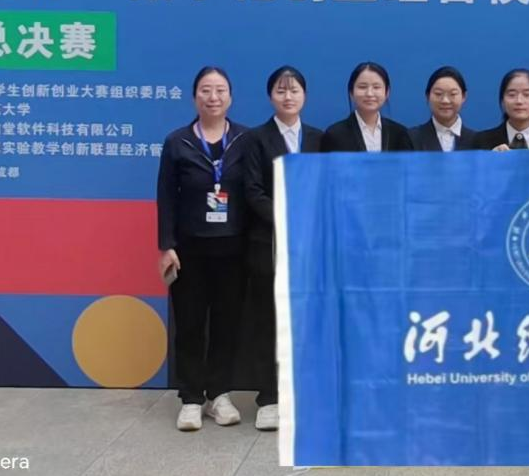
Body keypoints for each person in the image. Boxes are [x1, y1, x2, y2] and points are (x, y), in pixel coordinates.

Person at [157, 67, 252, 432]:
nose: (213, 97)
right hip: (189, 250)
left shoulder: (245, 139)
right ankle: (191, 398)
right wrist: (166, 245)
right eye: (206, 90)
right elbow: (166, 197)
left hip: (234, 249)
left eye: (220, 90)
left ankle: (220, 395)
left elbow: (253, 192)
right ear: (194, 96)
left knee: (227, 324)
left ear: (231, 97)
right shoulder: (178, 141)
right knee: (191, 324)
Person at [242, 66, 322, 432]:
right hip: (269, 243)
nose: (288, 97)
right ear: (270, 96)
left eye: (294, 90)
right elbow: (252, 190)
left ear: (304, 95)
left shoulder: (318, 138)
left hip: (311, 245)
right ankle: (269, 398)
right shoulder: (256, 139)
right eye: (280, 90)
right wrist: (284, 217)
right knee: (269, 321)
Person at [320, 62, 414, 152]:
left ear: (387, 92)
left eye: (376, 87)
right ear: (351, 92)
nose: (369, 93)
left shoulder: (400, 134)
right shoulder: (335, 134)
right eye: (362, 87)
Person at [473, 68, 529, 150]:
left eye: (527, 94)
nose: (519, 101)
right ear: (502, 101)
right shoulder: (480, 142)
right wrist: (489, 158)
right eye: (512, 95)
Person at [409, 66, 478, 152]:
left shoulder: (476, 140)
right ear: (427, 96)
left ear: (464, 96)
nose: (445, 101)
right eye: (438, 94)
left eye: (453, 94)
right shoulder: (412, 138)